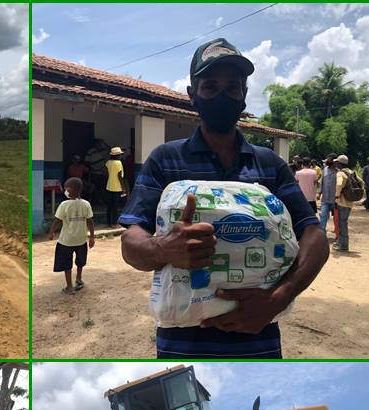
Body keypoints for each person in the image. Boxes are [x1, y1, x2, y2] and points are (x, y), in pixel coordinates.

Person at [118, 38, 328, 359]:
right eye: (210, 86)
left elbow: (314, 234)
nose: (222, 95)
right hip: (182, 342)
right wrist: (163, 248)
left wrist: (278, 298)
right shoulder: (165, 160)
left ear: (244, 95)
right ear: (192, 95)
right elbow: (131, 242)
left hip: (258, 338)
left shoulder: (269, 164)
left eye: (233, 86)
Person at [48, 177, 96, 294]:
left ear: (73, 190)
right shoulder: (86, 204)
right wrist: (92, 236)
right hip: (81, 241)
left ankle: (69, 287)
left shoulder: (64, 204)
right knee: (80, 261)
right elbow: (90, 221)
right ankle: (78, 279)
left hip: (66, 241)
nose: (65, 190)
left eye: (66, 188)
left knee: (66, 264)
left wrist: (51, 232)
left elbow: (57, 220)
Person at [331, 154, 354, 252]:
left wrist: (337, 195)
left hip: (342, 202)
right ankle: (341, 243)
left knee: (341, 224)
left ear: (340, 163)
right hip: (349, 202)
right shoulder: (351, 172)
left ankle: (343, 245)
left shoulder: (340, 173)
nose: (336, 164)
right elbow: (362, 183)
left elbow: (339, 184)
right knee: (343, 222)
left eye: (337, 162)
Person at [104, 147, 127, 228]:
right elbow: (120, 176)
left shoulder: (108, 163)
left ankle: (108, 223)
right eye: (120, 154)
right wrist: (123, 188)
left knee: (109, 206)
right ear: (117, 155)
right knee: (115, 207)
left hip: (109, 186)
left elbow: (106, 173)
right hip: (117, 188)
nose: (121, 156)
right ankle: (115, 223)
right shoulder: (118, 163)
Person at [317, 155, 338, 237]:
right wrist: (319, 193)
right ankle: (322, 235)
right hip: (325, 198)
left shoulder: (338, 171)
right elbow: (322, 182)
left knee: (337, 219)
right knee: (323, 217)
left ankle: (338, 235)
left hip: (335, 200)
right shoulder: (324, 170)